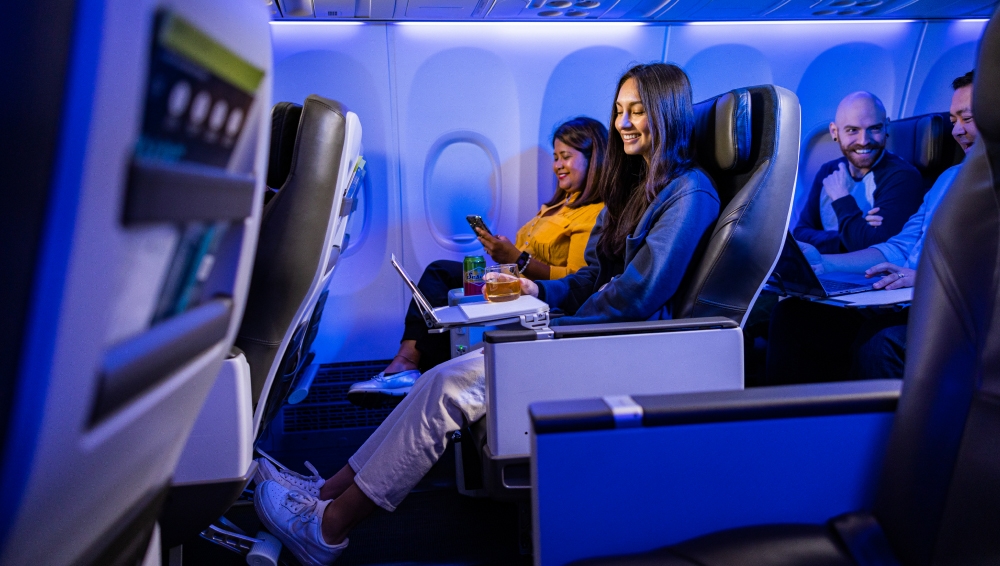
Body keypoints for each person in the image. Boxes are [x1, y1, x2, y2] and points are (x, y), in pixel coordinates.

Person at [253, 62, 721, 566]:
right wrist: (535, 287)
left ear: (667, 114)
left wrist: (553, 326)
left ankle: (328, 528)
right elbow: (590, 278)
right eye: (620, 110)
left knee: (451, 389)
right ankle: (327, 492)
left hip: (617, 348)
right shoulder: (631, 191)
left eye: (638, 112)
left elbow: (636, 296)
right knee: (439, 377)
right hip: (588, 335)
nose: (625, 122)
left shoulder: (689, 194)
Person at [347, 117, 607, 406]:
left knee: (440, 273)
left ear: (593, 159)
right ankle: (414, 371)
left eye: (566, 157)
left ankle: (409, 367)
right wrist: (502, 253)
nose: (557, 165)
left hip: (540, 297)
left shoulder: (594, 213)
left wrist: (517, 259)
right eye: (556, 157)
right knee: (445, 285)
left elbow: (575, 278)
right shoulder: (557, 205)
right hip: (516, 282)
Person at [766, 71, 978, 384]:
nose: (958, 131)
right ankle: (787, 424)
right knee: (794, 317)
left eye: (968, 118)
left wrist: (926, 279)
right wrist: (823, 263)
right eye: (953, 120)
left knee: (880, 342)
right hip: (903, 297)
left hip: (951, 307)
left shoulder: (904, 177)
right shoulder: (948, 179)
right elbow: (899, 246)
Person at [793, 92, 924, 253]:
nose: (864, 141)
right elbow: (800, 234)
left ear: (886, 128)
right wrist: (852, 231)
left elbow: (871, 247)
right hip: (825, 271)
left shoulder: (903, 177)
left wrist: (841, 197)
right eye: (852, 130)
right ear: (835, 132)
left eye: (874, 129)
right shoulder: (828, 171)